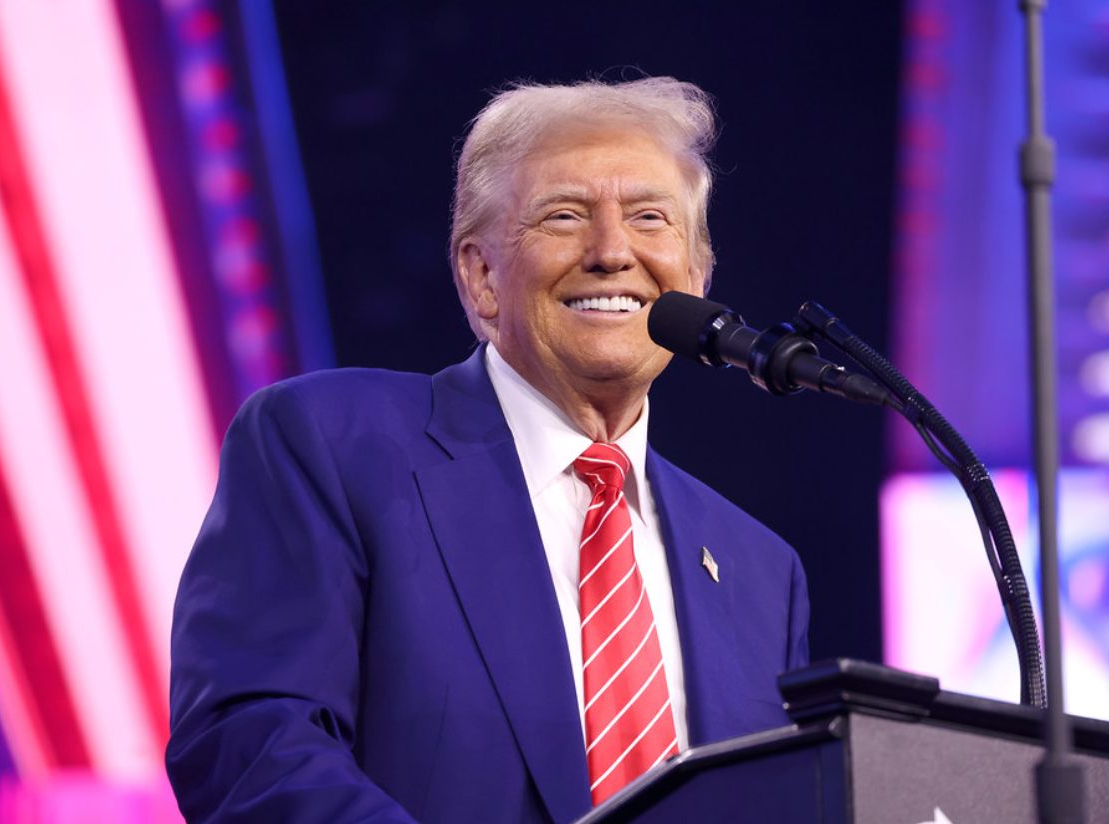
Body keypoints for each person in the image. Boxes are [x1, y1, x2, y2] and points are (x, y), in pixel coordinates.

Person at [166, 76, 809, 823]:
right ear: (480, 276)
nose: (611, 251)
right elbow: (251, 744)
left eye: (649, 218)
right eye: (563, 216)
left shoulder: (762, 570)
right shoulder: (331, 445)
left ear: (695, 280)